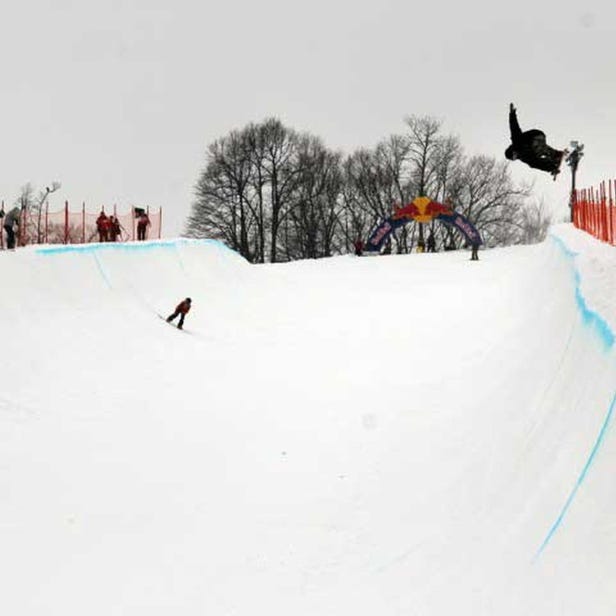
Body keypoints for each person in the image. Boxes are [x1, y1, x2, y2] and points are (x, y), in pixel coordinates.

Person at [505, 103, 566, 179]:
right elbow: (536, 164)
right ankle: (555, 156)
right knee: (533, 161)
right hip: (537, 141)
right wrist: (551, 168)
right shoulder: (523, 158)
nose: (516, 157)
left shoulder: (516, 142)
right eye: (514, 159)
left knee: (535, 151)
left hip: (535, 136)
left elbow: (514, 128)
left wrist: (512, 114)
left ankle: (554, 157)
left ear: (513, 151)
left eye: (514, 156)